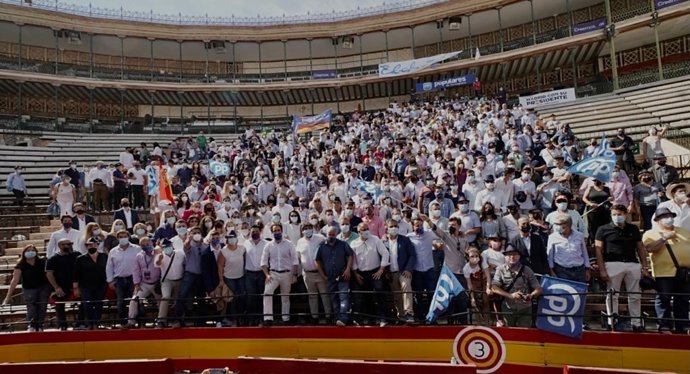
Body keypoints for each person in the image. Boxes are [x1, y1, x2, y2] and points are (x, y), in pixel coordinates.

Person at [595, 204, 649, 332]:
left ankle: (636, 322)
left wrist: (644, 266)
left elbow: (640, 248)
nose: (617, 217)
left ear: (625, 214)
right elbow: (598, 250)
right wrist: (602, 269)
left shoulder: (633, 228)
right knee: (612, 294)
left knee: (635, 295)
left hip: (632, 263)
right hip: (612, 263)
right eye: (614, 214)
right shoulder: (603, 229)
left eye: (619, 214)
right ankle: (611, 321)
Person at [642, 208, 690, 334]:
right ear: (657, 220)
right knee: (664, 299)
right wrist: (663, 238)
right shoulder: (650, 233)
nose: (669, 219)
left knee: (683, 299)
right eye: (664, 216)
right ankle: (664, 325)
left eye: (670, 216)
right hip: (664, 272)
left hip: (684, 271)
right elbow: (650, 248)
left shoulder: (684, 232)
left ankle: (683, 325)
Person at [491, 245, 542, 327]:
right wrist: (510, 296)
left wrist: (531, 296)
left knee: (524, 334)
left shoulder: (527, 270)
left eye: (515, 254)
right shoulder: (500, 269)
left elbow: (538, 288)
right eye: (509, 254)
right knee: (508, 333)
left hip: (525, 308)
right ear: (505, 257)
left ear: (519, 256)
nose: (512, 257)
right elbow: (494, 287)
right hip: (508, 308)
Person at [2, 245, 50, 331]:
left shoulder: (43, 261)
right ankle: (32, 324)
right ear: (24, 253)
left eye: (32, 250)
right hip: (29, 289)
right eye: (28, 251)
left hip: (43, 287)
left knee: (43, 306)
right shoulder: (21, 265)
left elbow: (49, 274)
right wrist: (8, 296)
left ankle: (40, 325)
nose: (30, 252)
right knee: (32, 306)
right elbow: (15, 280)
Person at [350, 222, 390, 327]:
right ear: (359, 232)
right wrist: (355, 274)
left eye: (367, 228)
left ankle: (383, 318)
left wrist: (381, 269)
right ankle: (369, 318)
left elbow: (385, 253)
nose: (366, 231)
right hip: (361, 273)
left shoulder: (376, 239)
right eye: (363, 229)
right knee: (366, 296)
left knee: (380, 294)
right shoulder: (354, 243)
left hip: (375, 272)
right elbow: (352, 260)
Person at [315, 225, 354, 327]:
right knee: (334, 298)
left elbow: (350, 255)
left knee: (343, 297)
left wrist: (348, 269)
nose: (331, 236)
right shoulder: (321, 246)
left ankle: (343, 318)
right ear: (326, 234)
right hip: (330, 276)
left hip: (342, 275)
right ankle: (337, 318)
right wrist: (322, 274)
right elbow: (317, 260)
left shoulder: (343, 244)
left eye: (333, 234)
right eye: (329, 234)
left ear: (336, 234)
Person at [260, 224, 298, 325]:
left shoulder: (289, 244)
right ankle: (268, 319)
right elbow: (263, 263)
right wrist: (267, 275)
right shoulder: (268, 245)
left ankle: (285, 319)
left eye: (278, 230)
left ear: (281, 231)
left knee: (285, 296)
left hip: (286, 274)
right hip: (273, 274)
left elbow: (295, 261)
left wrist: (294, 275)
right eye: (275, 231)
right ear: (272, 233)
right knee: (267, 293)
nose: (277, 232)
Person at [174, 226, 210, 327]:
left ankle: (201, 321)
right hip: (189, 274)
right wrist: (188, 239)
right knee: (182, 296)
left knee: (201, 298)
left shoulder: (205, 246)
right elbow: (186, 247)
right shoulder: (189, 244)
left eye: (198, 232)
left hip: (201, 275)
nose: (197, 234)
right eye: (194, 232)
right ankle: (177, 320)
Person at [295, 223, 331, 323]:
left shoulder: (320, 238)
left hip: (320, 273)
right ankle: (314, 317)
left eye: (309, 228)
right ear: (302, 231)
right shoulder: (299, 242)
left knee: (324, 294)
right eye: (305, 228)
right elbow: (298, 258)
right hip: (307, 274)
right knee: (312, 296)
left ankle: (328, 316)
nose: (307, 230)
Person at [384, 219, 416, 323]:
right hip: (391, 273)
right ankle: (401, 316)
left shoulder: (405, 240)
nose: (394, 228)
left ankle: (409, 313)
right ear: (387, 228)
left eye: (395, 226)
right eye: (391, 226)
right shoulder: (383, 242)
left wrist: (408, 269)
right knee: (397, 295)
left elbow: (412, 255)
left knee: (406, 287)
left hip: (403, 271)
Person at [105, 229, 141, 326]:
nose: (123, 238)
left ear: (128, 237)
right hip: (119, 280)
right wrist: (110, 281)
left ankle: (139, 322)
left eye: (125, 236)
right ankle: (124, 323)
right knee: (121, 302)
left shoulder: (137, 249)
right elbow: (109, 266)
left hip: (133, 279)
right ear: (117, 238)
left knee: (136, 301)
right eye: (120, 237)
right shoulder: (113, 251)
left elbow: (141, 262)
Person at [407, 216, 439, 322]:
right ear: (413, 226)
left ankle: (431, 317)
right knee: (418, 294)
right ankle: (420, 317)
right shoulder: (408, 237)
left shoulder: (429, 234)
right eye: (417, 225)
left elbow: (438, 231)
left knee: (431, 293)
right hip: (417, 270)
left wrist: (428, 221)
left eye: (420, 225)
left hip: (429, 269)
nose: (419, 227)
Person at [45, 238, 81, 330]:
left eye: (69, 244)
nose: (68, 246)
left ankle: (80, 323)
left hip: (76, 286)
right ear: (59, 246)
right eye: (65, 244)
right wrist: (56, 287)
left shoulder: (77, 255)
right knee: (60, 305)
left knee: (85, 302)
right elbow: (49, 274)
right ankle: (62, 325)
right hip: (60, 287)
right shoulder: (53, 259)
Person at [125, 237, 161, 328]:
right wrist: (136, 284)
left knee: (162, 302)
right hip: (144, 284)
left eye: (147, 244)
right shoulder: (139, 256)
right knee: (134, 300)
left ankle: (161, 321)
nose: (145, 246)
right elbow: (136, 270)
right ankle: (131, 322)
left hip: (157, 283)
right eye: (143, 245)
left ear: (151, 243)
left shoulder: (158, 253)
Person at [73, 238, 108, 329]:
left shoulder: (104, 256)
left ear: (97, 245)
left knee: (98, 304)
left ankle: (96, 323)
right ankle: (89, 323)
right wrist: (76, 288)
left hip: (101, 285)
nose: (91, 246)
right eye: (89, 245)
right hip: (86, 286)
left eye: (93, 244)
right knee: (87, 304)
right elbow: (76, 274)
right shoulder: (80, 259)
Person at [546, 213, 590, 282]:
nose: (557, 226)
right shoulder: (552, 237)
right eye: (556, 224)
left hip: (579, 270)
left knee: (580, 292)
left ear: (568, 225)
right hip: (562, 270)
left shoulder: (579, 235)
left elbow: (584, 252)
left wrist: (587, 269)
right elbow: (550, 255)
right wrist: (551, 270)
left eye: (560, 224)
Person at [217, 230, 246, 326]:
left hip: (241, 276)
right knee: (232, 299)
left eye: (233, 237)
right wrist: (221, 280)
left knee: (241, 297)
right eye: (230, 238)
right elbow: (220, 266)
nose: (232, 239)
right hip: (229, 278)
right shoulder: (223, 251)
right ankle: (234, 320)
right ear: (227, 239)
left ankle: (241, 317)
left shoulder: (242, 248)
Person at [155, 238, 185, 328]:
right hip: (167, 280)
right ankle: (161, 320)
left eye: (168, 246)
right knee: (166, 297)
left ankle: (178, 320)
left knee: (178, 300)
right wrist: (160, 259)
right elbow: (157, 264)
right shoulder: (160, 255)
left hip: (179, 280)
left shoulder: (180, 253)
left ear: (172, 245)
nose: (167, 248)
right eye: (164, 247)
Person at [244, 225, 268, 326]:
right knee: (251, 297)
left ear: (260, 231)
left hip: (261, 273)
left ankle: (261, 318)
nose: (255, 233)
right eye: (253, 231)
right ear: (250, 232)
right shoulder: (245, 243)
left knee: (261, 296)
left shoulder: (266, 244)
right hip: (249, 274)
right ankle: (251, 319)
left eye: (256, 231)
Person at [463, 247, 491, 325]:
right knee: (476, 305)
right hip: (474, 285)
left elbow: (488, 276)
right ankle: (479, 323)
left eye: (476, 256)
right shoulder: (466, 268)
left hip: (484, 282)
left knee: (485, 303)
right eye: (472, 256)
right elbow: (469, 283)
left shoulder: (482, 262)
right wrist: (472, 298)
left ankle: (487, 323)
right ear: (468, 257)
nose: (475, 258)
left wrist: (488, 287)